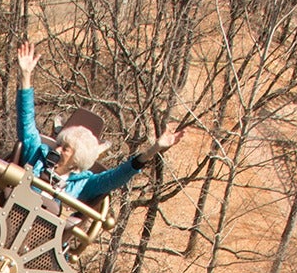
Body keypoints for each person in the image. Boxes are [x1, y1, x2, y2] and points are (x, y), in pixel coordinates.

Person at [13, 41, 183, 205]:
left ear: (76, 159)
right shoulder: (37, 157)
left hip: (40, 232)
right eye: (59, 144)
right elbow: (26, 121)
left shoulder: (81, 185)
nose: (57, 149)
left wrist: (153, 150)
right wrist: (25, 76)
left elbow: (115, 178)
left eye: (65, 148)